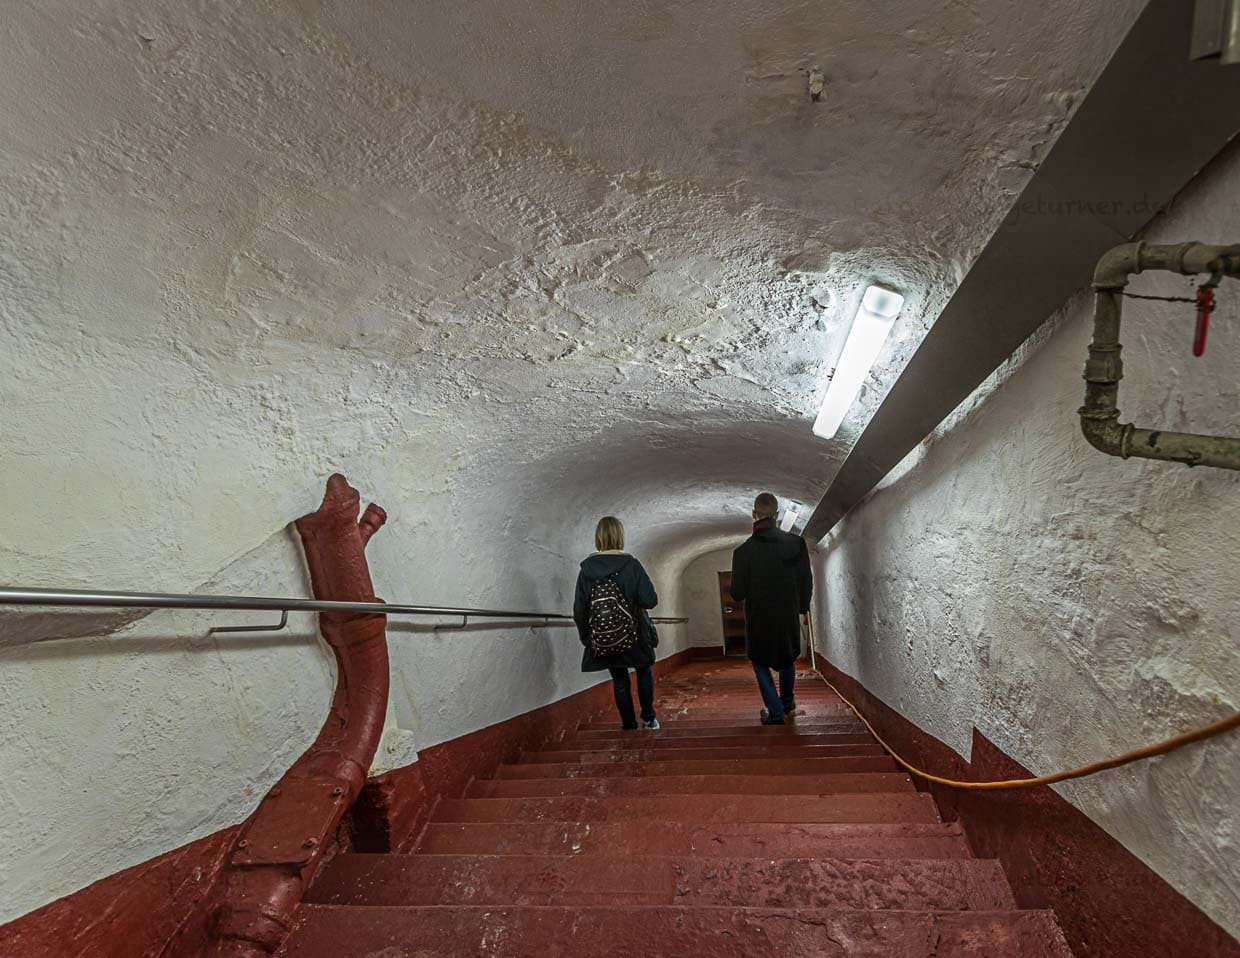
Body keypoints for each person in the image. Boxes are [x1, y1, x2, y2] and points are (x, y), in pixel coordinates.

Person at [730, 492, 813, 725]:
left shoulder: (742, 552)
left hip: (759, 617)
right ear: (777, 515)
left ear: (754, 515)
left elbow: (737, 593)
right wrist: (803, 608)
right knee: (787, 659)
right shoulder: (796, 544)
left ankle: (775, 711)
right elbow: (806, 580)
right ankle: (786, 703)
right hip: (787, 613)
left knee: (759, 661)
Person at [573, 516, 661, 730]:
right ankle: (649, 718)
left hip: (605, 635)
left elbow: (579, 609)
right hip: (636, 633)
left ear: (598, 538)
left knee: (620, 680)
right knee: (643, 672)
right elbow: (650, 600)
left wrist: (588, 637)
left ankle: (629, 724)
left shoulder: (586, 571)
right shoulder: (631, 565)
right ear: (620, 536)